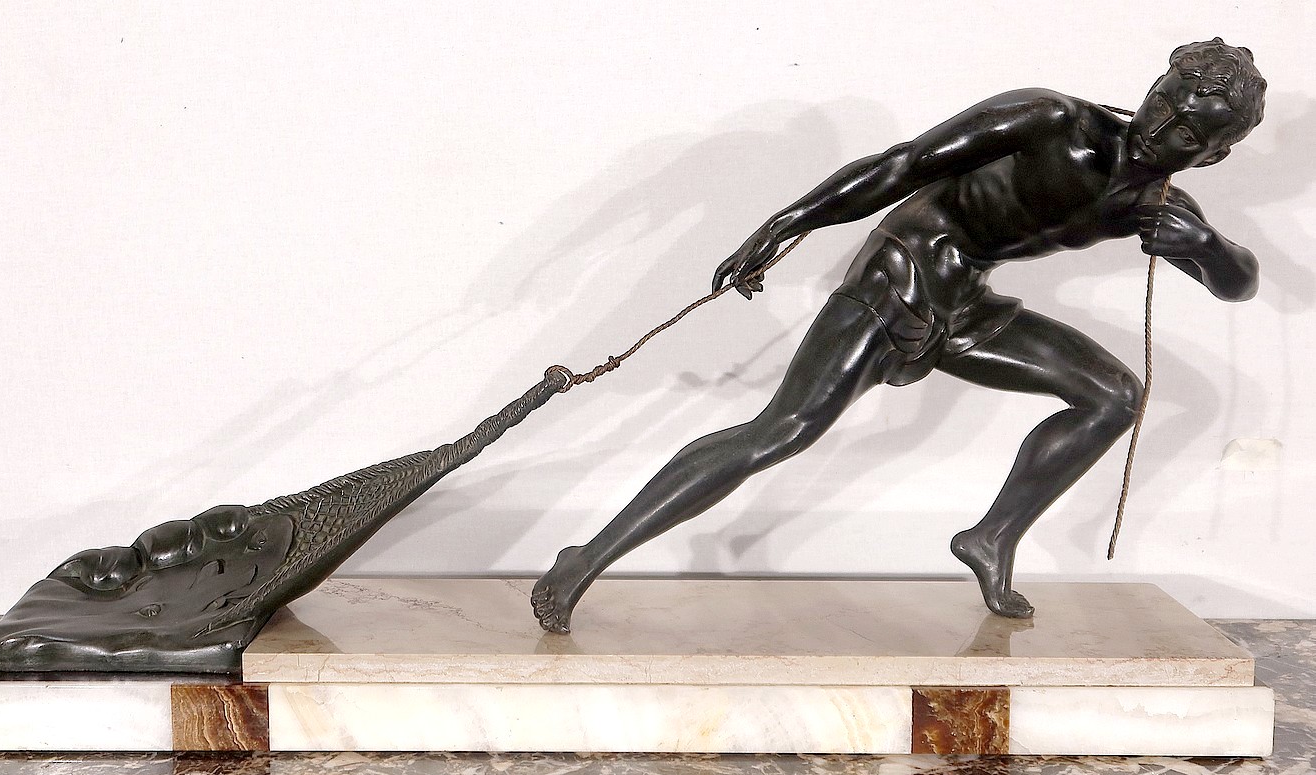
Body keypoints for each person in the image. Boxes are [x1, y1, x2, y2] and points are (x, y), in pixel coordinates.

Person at [531, 39, 1266, 632]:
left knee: (1113, 396)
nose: (1157, 131)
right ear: (1152, 87)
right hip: (903, 272)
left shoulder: (1160, 207)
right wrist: (785, 224)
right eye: (1162, 104)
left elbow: (1238, 284)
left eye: (1185, 135)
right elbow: (902, 165)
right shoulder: (1051, 120)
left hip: (967, 301)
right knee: (783, 430)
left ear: (1212, 155)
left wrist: (1206, 247)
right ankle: (585, 557)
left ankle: (991, 537)